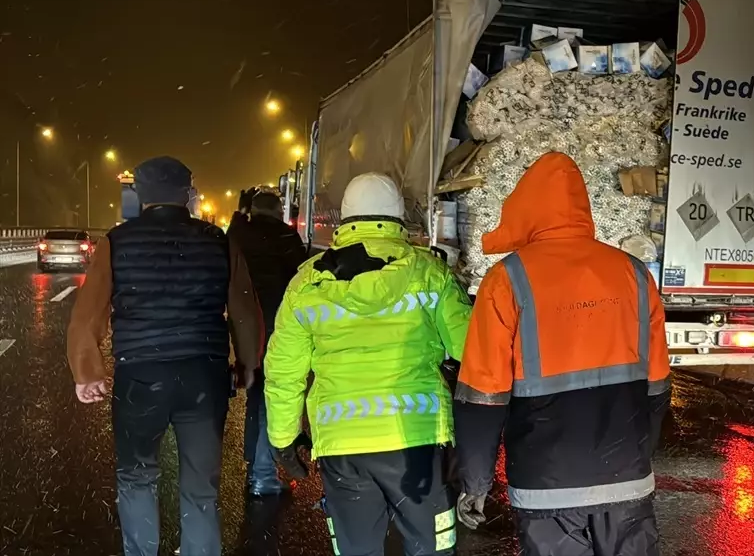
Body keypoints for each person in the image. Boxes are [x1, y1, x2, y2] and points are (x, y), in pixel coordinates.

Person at [453, 152, 672, 556]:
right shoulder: (635, 274)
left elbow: (481, 398)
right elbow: (657, 387)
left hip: (546, 487)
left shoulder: (507, 279)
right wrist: (639, 453)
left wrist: (476, 483)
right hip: (627, 476)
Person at [264, 172, 472, 556]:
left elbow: (283, 372)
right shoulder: (430, 274)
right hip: (418, 439)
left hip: (343, 445)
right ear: (398, 217)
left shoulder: (306, 285)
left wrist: (282, 439)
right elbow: (471, 353)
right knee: (432, 549)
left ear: (345, 218)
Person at [67, 156, 263, 556]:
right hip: (203, 378)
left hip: (140, 377)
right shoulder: (219, 240)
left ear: (139, 194)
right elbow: (245, 311)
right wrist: (247, 365)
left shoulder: (117, 242)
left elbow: (88, 313)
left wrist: (88, 371)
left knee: (137, 479)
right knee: (200, 486)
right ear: (188, 194)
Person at [227, 188, 308, 496]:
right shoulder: (286, 239)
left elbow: (234, 233)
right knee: (268, 401)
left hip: (247, 327)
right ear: (278, 211)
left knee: (256, 396)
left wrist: (239, 211)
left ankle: (255, 465)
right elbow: (300, 279)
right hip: (278, 329)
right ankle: (262, 475)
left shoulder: (240, 234)